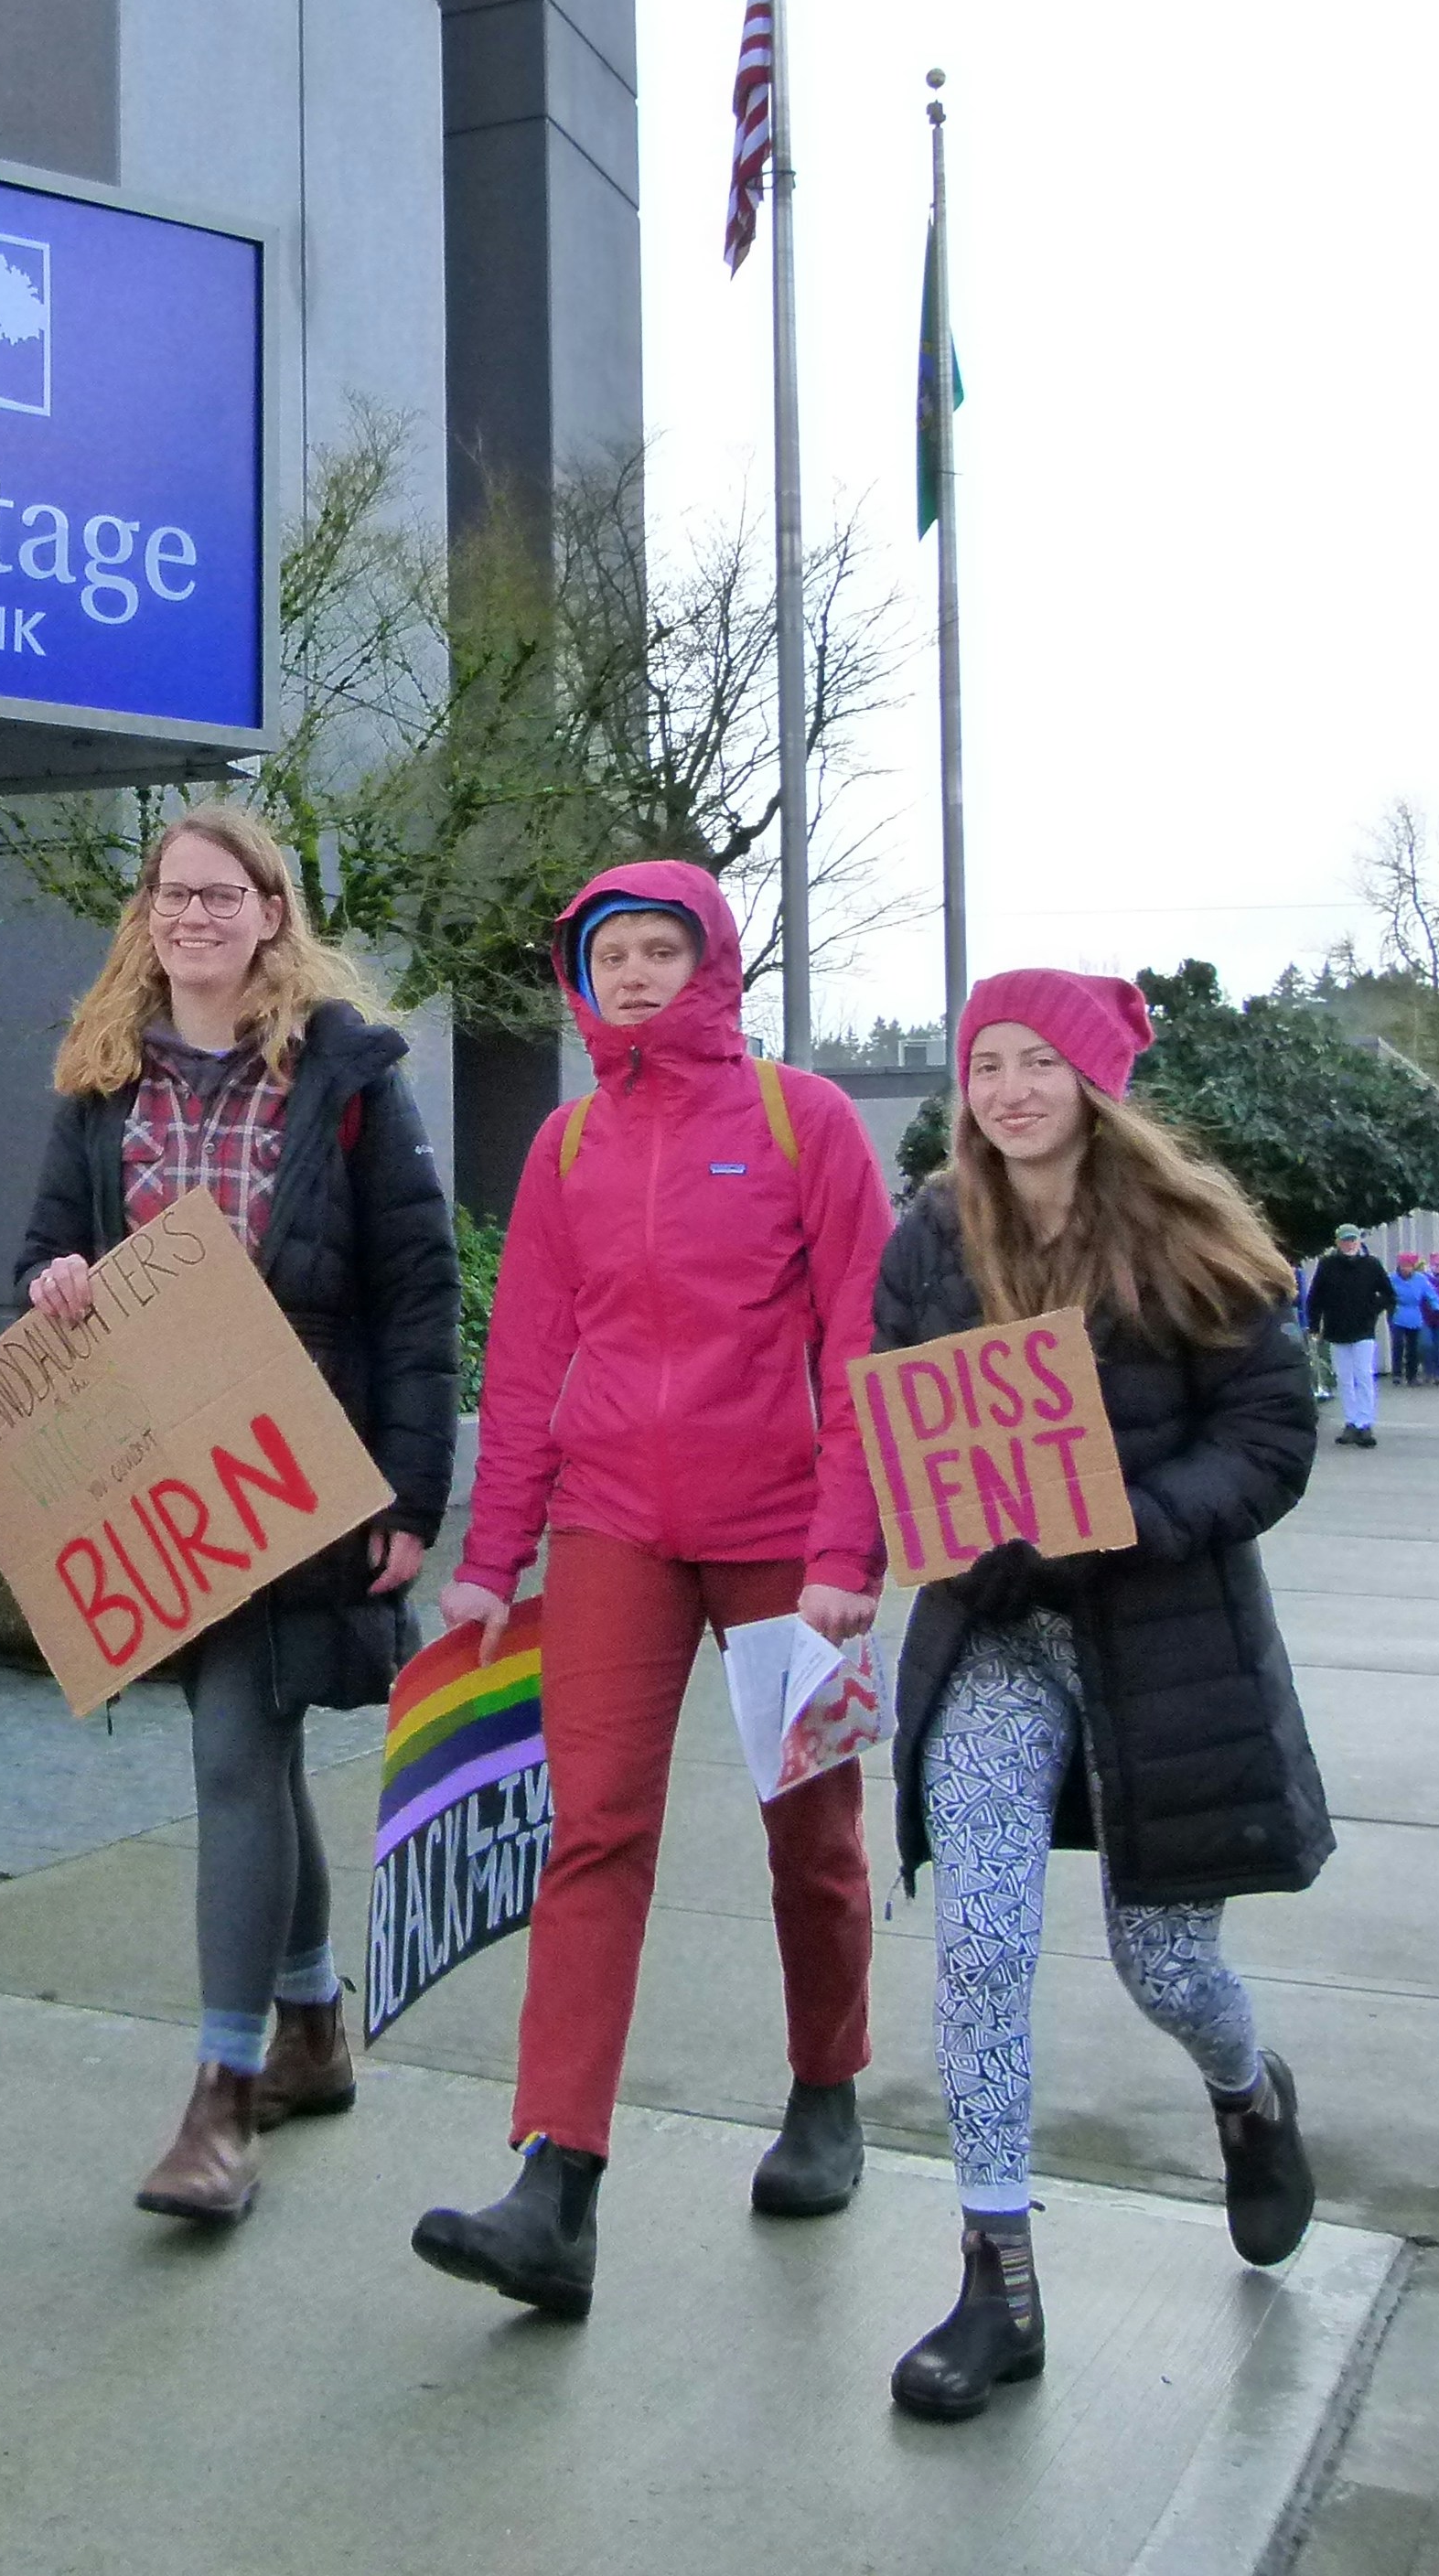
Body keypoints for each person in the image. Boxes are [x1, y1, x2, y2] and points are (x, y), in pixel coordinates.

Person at [409, 862, 895, 2319]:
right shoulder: (566, 1148)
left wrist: (846, 1554)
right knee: (593, 1831)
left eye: (658, 949)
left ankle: (828, 2090)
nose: (631, 975)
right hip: (614, 1526)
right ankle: (556, 2183)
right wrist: (490, 1562)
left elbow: (866, 1344)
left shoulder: (803, 1121)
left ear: (714, 962)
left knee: (812, 1833)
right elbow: (526, 1365)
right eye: (609, 954)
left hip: (784, 1535)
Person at [875, 970, 1328, 2420]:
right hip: (998, 1634)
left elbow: (1268, 1439)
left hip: (1160, 1645)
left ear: (1089, 1082)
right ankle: (995, 2274)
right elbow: (891, 1400)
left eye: (1032, 1063)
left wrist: (1118, 1517)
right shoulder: (934, 1232)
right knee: (983, 1943)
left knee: (1167, 1966)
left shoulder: (1188, 1234)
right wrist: (926, 1522)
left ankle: (1252, 2098)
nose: (1004, 1091)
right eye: (982, 1065)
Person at [16, 804, 460, 2227]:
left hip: (302, 1460)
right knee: (248, 1749)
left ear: (273, 913)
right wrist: (59, 1280)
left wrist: (411, 1488)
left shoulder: (345, 1079)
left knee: (231, 1751)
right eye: (169, 896)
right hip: (160, 1463)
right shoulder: (101, 1084)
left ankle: (221, 2097)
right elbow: (42, 1248)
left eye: (220, 895)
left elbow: (417, 1291)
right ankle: (314, 2023)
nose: (191, 917)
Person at [1305, 1222, 1393, 1447]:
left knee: (1363, 1374)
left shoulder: (1371, 1265)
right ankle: (1351, 1421)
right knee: (1344, 1378)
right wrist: (1314, 1325)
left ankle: (1365, 1423)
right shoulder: (1327, 1265)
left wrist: (1372, 1310)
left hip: (1363, 1330)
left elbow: (1389, 1295)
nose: (1349, 1244)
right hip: (1336, 1330)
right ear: (1338, 1242)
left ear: (1359, 1241)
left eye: (1353, 1239)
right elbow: (1315, 1298)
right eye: (1345, 1240)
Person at [1388, 1249, 1436, 1386]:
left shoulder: (1420, 1279)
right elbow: (1384, 1291)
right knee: (1398, 1344)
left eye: (1408, 1266)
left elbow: (1430, 1293)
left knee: (1413, 1348)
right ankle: (1396, 1374)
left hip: (1414, 1314)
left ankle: (1411, 1376)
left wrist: (1436, 1305)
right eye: (1403, 1265)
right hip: (1397, 1313)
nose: (1405, 1269)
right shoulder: (1392, 1278)